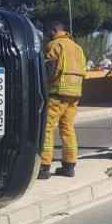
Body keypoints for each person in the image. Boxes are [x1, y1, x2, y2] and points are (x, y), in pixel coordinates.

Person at [39, 21, 86, 179]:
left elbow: (48, 71)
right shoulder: (77, 48)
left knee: (47, 128)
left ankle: (44, 167)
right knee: (68, 129)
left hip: (57, 93)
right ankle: (69, 166)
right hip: (75, 94)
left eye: (47, 30)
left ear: (54, 29)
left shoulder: (54, 45)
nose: (46, 33)